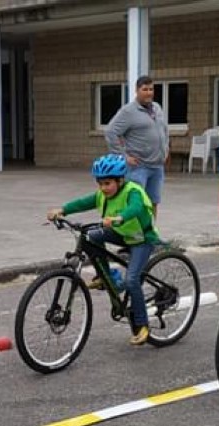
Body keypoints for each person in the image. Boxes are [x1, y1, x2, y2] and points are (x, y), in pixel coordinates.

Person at [47, 154, 161, 346]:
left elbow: (135, 208)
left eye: (107, 183)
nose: (103, 188)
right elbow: (84, 202)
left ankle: (142, 325)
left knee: (132, 279)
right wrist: (62, 210)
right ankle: (105, 274)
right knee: (91, 236)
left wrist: (119, 218)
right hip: (122, 234)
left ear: (120, 179)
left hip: (142, 239)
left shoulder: (133, 191)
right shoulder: (102, 195)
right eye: (100, 183)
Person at [104, 75, 170, 217]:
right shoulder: (128, 111)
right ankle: (134, 236)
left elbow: (164, 129)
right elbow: (110, 132)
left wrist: (165, 149)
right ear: (137, 90)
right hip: (138, 167)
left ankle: (151, 234)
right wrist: (123, 156)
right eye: (145, 89)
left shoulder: (157, 108)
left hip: (157, 166)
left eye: (151, 89)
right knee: (136, 203)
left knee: (153, 202)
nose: (148, 93)